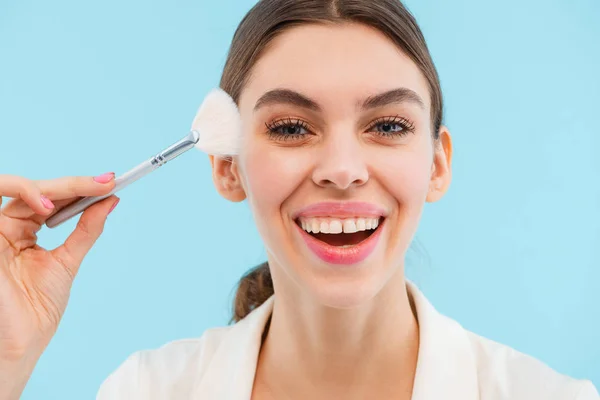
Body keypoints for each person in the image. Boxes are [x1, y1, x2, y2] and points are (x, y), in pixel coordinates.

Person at [0, 0, 597, 399]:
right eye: (291, 128)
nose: (341, 170)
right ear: (227, 168)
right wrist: (7, 359)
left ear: (437, 164)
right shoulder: (146, 391)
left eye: (387, 125)